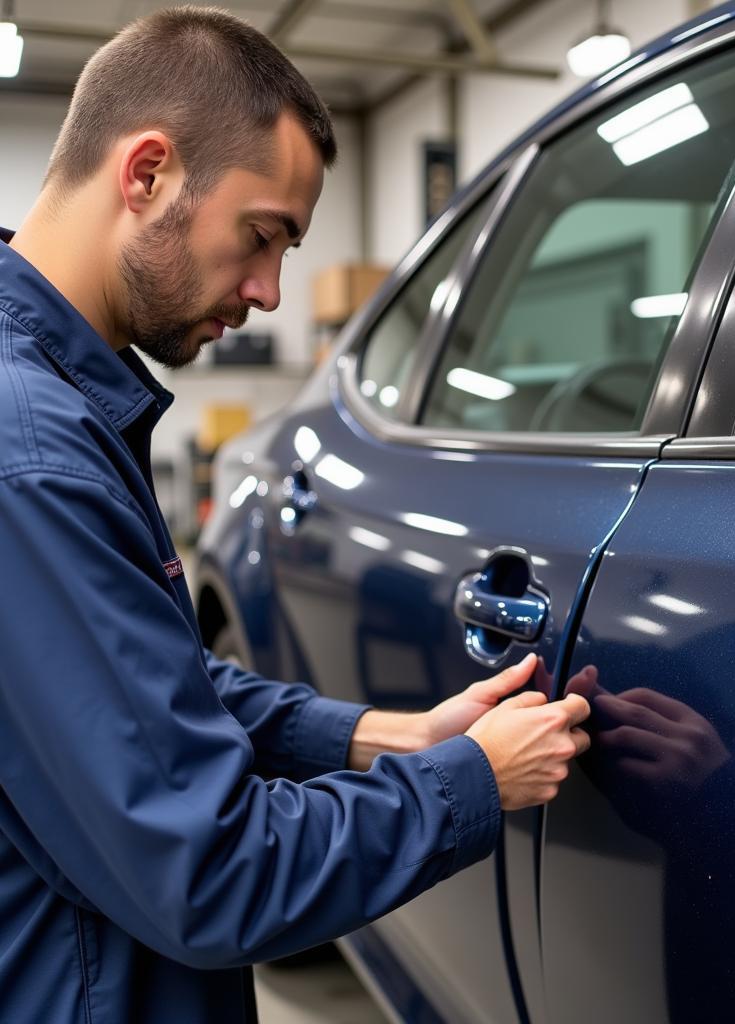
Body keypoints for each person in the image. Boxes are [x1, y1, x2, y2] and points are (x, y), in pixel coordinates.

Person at [0, 7, 591, 1022]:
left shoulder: (51, 412)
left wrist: (377, 737)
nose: (273, 291)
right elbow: (212, 873)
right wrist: (468, 782)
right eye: (261, 234)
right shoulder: (34, 459)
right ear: (145, 175)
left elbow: (144, 683)